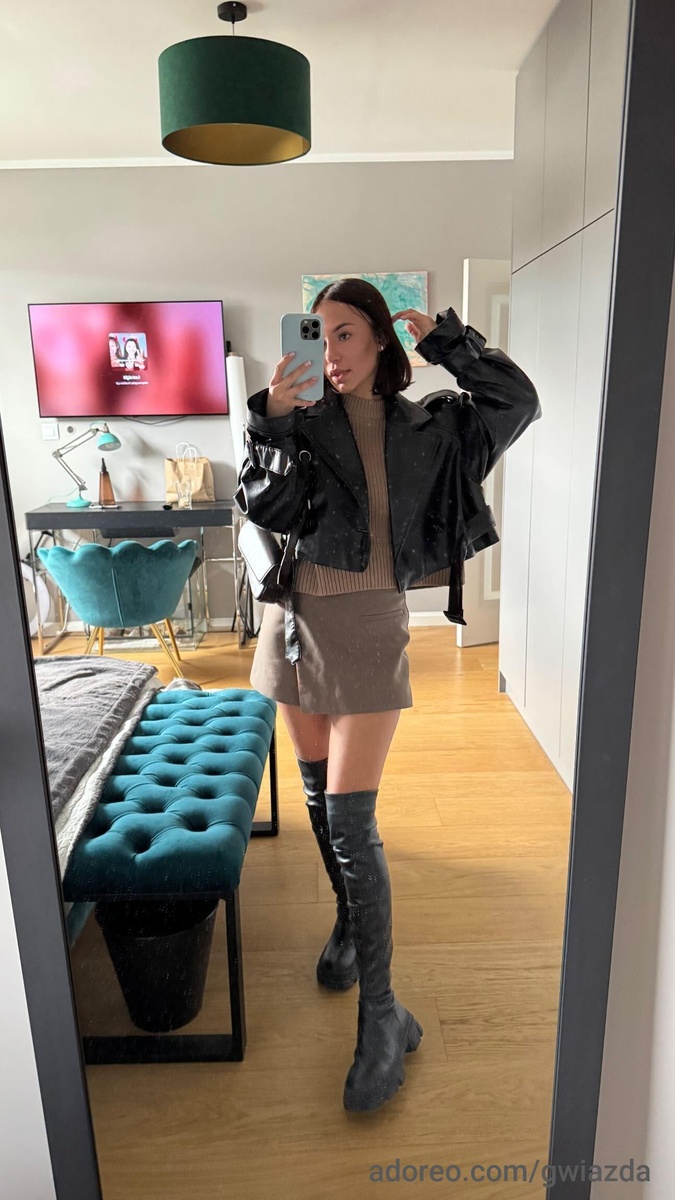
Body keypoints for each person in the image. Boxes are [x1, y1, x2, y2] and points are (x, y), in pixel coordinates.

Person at [233, 278, 541, 1113]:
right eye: (318, 334)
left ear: (377, 338)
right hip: (291, 624)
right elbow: (264, 507)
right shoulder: (296, 422)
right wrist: (271, 422)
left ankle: (383, 1015)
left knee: (350, 819)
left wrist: (449, 341)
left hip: (370, 625)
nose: (330, 351)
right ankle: (347, 922)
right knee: (314, 796)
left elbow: (517, 402)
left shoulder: (432, 428)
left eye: (344, 333)